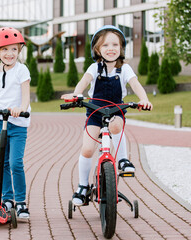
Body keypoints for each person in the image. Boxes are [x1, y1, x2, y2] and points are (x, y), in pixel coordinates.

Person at [61, 25, 153, 206]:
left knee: (116, 126)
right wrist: (75, 94)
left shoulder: (125, 69)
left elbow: (135, 85)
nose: (111, 49)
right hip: (95, 112)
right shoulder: (95, 68)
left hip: (116, 110)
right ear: (97, 49)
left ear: (121, 48)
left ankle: (123, 160)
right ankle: (83, 186)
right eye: (105, 45)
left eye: (115, 45)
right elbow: (83, 82)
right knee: (87, 149)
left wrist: (144, 99)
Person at [0, 27, 31, 218]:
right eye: (4, 49)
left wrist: (21, 108)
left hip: (18, 123)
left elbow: (26, 97)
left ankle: (20, 202)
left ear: (19, 50)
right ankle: (7, 198)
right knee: (2, 162)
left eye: (13, 49)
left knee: (16, 163)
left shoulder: (22, 70)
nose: (10, 53)